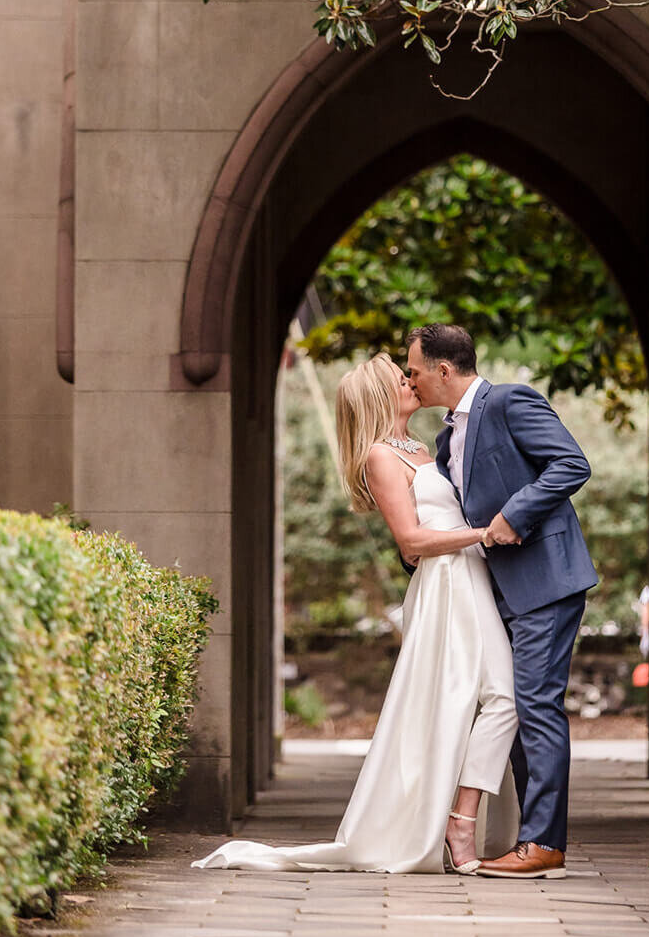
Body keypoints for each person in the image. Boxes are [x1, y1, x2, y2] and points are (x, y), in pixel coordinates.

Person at [191, 352, 518, 874]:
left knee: (500, 698)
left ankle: (461, 818)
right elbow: (410, 542)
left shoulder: (427, 447)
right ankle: (458, 824)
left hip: (473, 578)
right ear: (377, 395)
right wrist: (484, 533)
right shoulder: (380, 457)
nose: (411, 382)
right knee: (481, 698)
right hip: (445, 587)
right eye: (400, 378)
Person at [406, 323, 597, 881]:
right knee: (515, 709)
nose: (410, 380)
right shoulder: (446, 440)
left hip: (546, 580)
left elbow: (571, 464)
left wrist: (515, 514)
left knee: (535, 705)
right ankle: (530, 841)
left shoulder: (511, 401)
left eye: (414, 370)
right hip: (496, 592)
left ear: (444, 370)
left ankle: (545, 844)